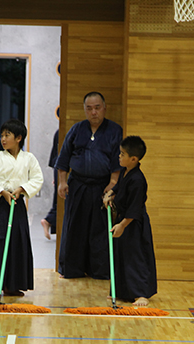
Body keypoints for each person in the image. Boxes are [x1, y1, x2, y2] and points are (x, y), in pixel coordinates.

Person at [55, 92, 123, 279]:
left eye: (97, 108)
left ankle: (99, 271)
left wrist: (113, 184)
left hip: (102, 187)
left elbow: (118, 160)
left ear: (104, 108)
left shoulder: (115, 130)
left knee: (99, 229)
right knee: (74, 226)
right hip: (77, 185)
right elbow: (63, 159)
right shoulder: (77, 129)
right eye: (89, 108)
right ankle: (71, 268)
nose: (94, 112)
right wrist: (62, 182)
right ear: (85, 110)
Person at [0, 119, 43, 297]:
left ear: (19, 138)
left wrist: (22, 189)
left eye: (8, 135)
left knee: (16, 242)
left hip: (17, 203)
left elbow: (37, 178)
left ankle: (11, 284)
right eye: (2, 135)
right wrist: (2, 192)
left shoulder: (28, 158)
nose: (3, 139)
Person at [103, 136, 157, 307]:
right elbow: (117, 189)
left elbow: (134, 208)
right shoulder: (126, 172)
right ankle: (122, 290)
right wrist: (109, 195)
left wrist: (122, 225)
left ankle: (141, 294)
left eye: (122, 154)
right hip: (123, 220)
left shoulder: (138, 179)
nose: (119, 156)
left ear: (134, 158)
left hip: (133, 223)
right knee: (122, 256)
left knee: (136, 258)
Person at [41, 129, 59, 240]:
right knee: (61, 200)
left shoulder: (59, 131)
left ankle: (49, 221)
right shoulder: (64, 131)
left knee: (58, 200)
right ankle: (48, 220)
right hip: (61, 168)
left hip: (58, 167)